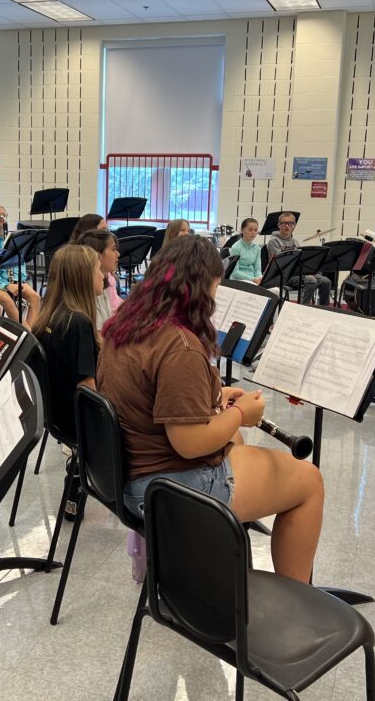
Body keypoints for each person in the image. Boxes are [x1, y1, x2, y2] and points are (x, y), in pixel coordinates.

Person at [98, 236, 324, 584]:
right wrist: (240, 414)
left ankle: (219, 561)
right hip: (167, 490)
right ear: (196, 291)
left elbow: (148, 393)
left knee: (233, 440)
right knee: (309, 480)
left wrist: (212, 394)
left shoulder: (125, 326)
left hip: (128, 480)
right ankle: (298, 605)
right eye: (213, 293)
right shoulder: (180, 345)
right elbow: (188, 444)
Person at [31, 245, 104, 441]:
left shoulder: (51, 316)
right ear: (84, 276)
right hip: (76, 424)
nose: (103, 275)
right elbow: (87, 390)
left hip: (54, 417)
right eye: (98, 268)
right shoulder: (79, 323)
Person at [0, 204, 41, 327]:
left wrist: (18, 280)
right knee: (6, 300)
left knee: (35, 298)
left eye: (4, 215)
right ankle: (27, 335)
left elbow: (19, 263)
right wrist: (6, 285)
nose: (1, 217)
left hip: (12, 281)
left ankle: (31, 333)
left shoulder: (11, 239)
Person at [266, 211, 332, 305]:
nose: (287, 226)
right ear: (279, 225)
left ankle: (323, 310)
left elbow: (300, 260)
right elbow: (282, 264)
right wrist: (305, 273)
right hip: (283, 275)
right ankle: (301, 309)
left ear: (294, 225)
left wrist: (308, 270)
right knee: (310, 281)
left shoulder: (295, 242)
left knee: (326, 282)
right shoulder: (274, 241)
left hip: (297, 272)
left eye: (290, 223)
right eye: (284, 223)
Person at [77, 229, 122, 330]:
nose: (118, 254)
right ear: (98, 255)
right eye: (113, 249)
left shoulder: (104, 282)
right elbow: (99, 336)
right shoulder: (89, 293)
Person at [228, 217, 262, 283]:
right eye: (250, 230)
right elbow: (235, 272)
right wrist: (253, 279)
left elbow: (257, 269)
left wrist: (260, 278)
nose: (253, 232)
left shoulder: (257, 248)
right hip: (238, 280)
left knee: (276, 290)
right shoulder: (236, 247)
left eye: (255, 230)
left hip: (253, 280)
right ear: (242, 230)